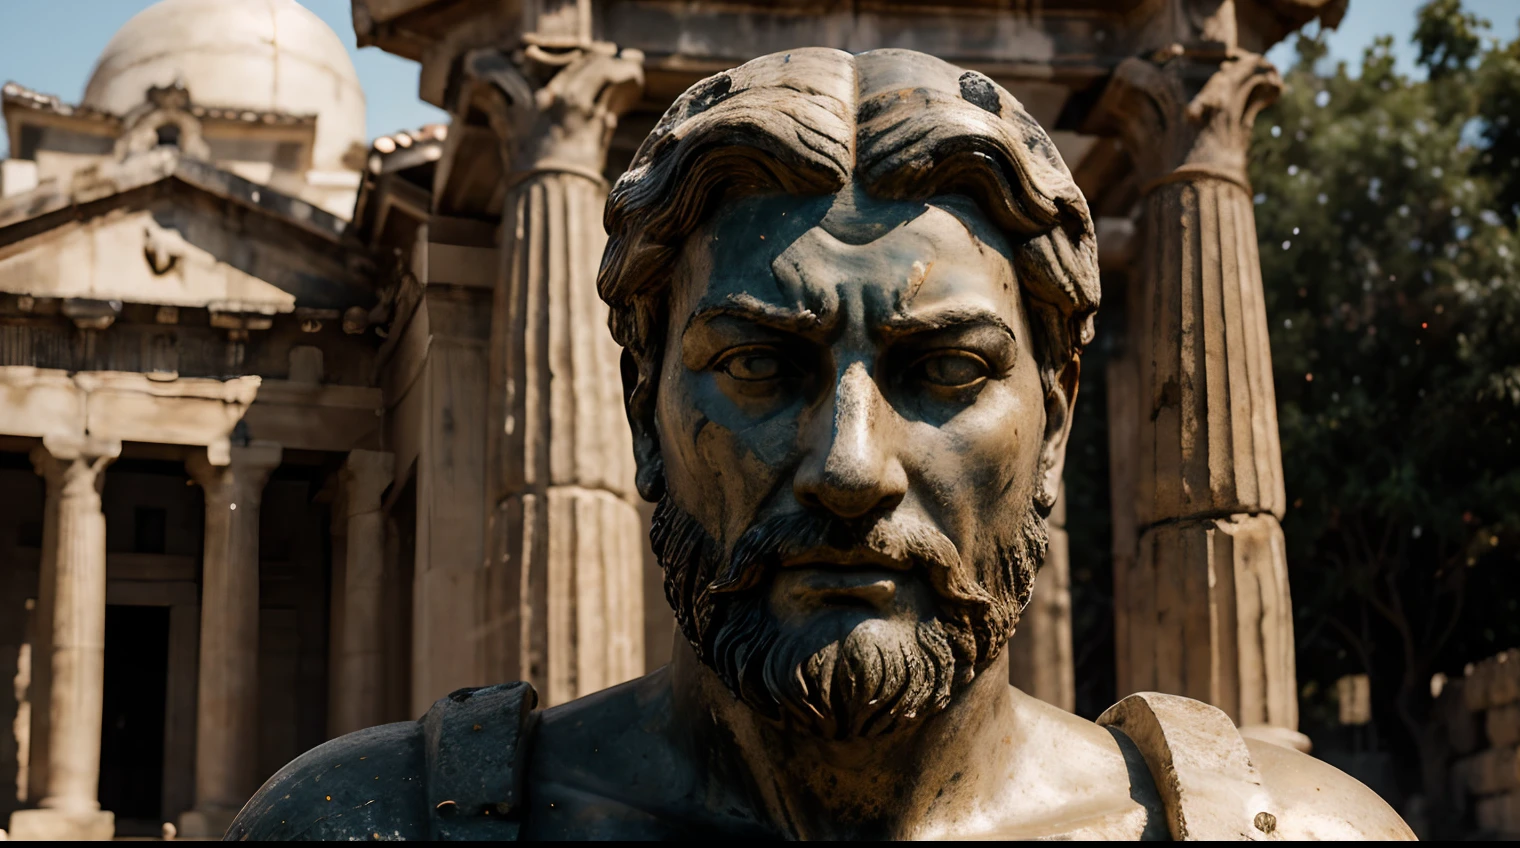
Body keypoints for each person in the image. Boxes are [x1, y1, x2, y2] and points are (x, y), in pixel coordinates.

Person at [226, 47, 1414, 841]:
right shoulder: (361, 822)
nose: (852, 466)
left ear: (1054, 417)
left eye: (945, 369)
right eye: (758, 365)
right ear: (642, 409)